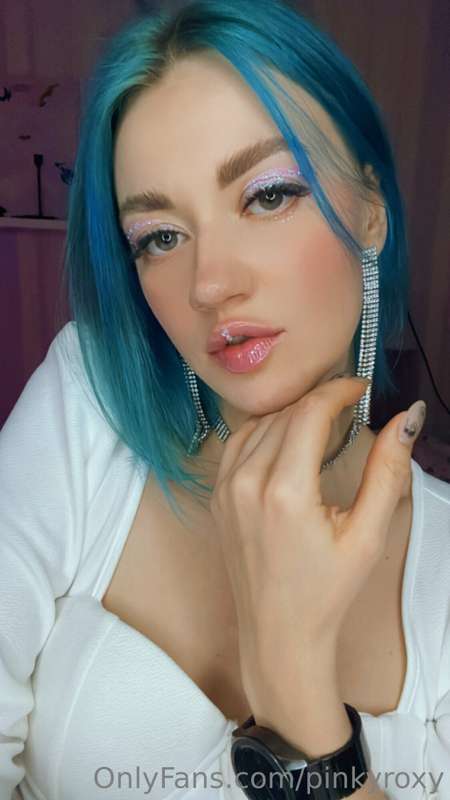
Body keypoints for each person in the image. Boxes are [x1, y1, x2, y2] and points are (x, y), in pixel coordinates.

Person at [0, 1, 449, 798]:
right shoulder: (89, 404)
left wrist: (295, 681)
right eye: (160, 237)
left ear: (371, 214)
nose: (208, 284)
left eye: (267, 196)